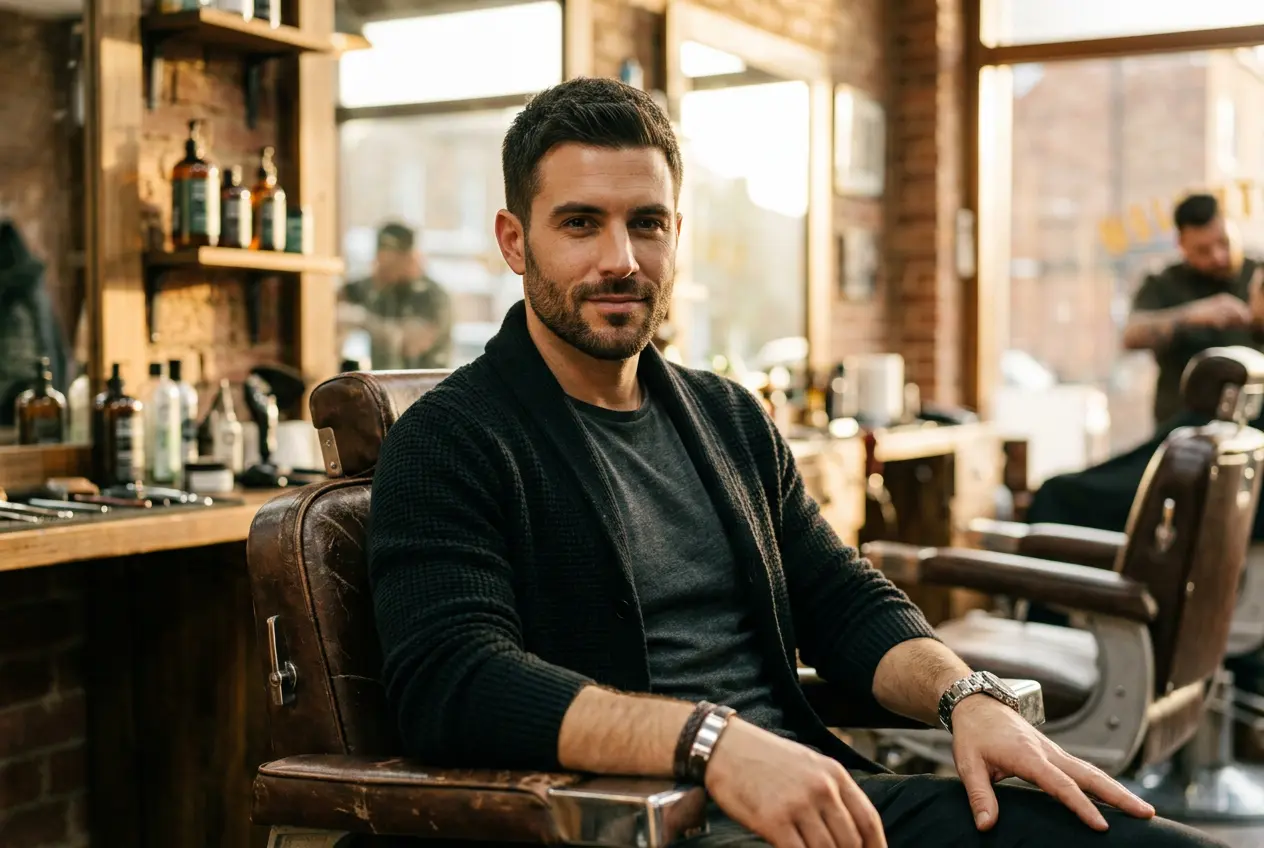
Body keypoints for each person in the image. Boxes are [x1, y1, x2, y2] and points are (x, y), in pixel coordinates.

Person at [368, 78, 1224, 848]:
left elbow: (842, 600)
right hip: (633, 824)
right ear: (515, 242)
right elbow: (454, 680)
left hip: (824, 804)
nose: (620, 260)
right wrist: (713, 742)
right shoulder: (452, 438)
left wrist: (967, 697)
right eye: (581, 223)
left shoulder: (728, 417)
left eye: (647, 223)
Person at [1123, 193, 1264, 425]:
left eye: (1224, 243)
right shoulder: (1163, 284)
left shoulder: (1258, 274)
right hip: (1183, 427)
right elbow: (1131, 335)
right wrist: (1190, 316)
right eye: (1203, 250)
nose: (1218, 257)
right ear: (1182, 246)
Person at [338, 222, 452, 369]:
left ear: (409, 258)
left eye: (391, 262)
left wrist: (362, 320)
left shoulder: (432, 296)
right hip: (383, 387)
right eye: (380, 261)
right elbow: (336, 296)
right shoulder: (378, 285)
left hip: (425, 388)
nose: (383, 268)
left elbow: (408, 342)